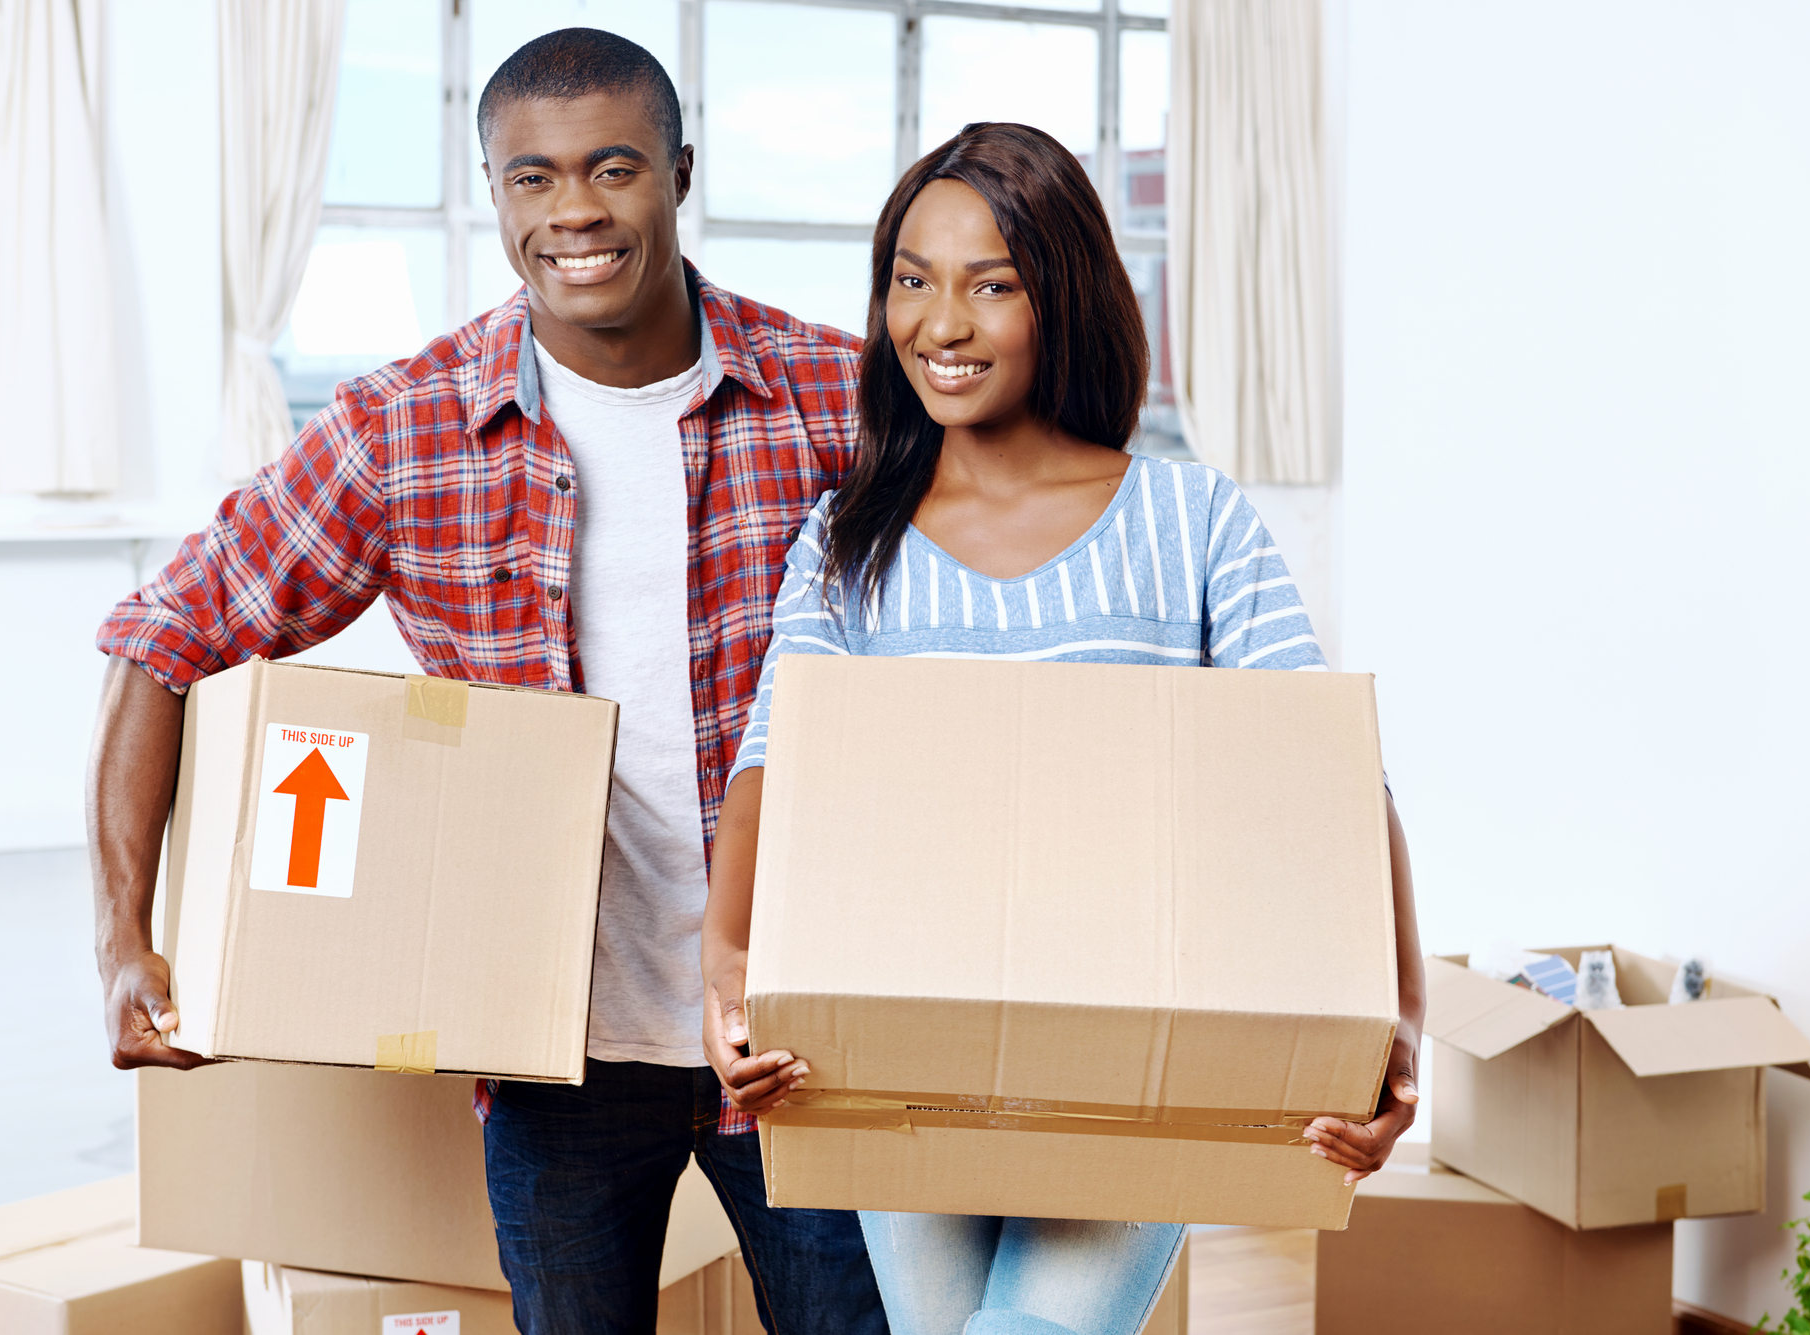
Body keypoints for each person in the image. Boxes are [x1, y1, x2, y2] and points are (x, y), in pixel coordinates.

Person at [88, 28, 885, 1335]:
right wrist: (123, 941)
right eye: (533, 178)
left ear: (681, 173)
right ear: (492, 191)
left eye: (614, 167)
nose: (574, 209)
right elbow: (162, 633)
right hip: (553, 1054)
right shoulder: (405, 427)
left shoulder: (830, 398)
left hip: (808, 1038)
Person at [699, 123, 1426, 1335]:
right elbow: (779, 765)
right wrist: (726, 980)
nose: (942, 324)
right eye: (911, 280)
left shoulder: (1190, 523)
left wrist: (1395, 1024)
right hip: (901, 1046)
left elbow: (1331, 782)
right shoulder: (846, 544)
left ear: (1065, 294)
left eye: (992, 284)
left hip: (1137, 1053)